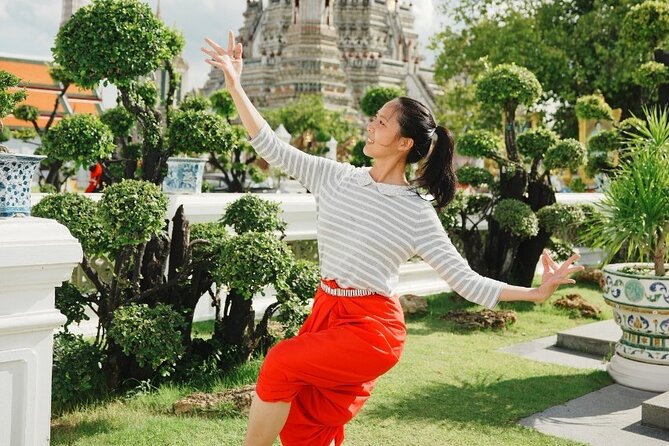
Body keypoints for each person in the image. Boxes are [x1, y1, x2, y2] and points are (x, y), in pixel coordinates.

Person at [202, 32, 584, 446]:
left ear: (404, 143)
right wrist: (236, 84)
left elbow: (465, 280)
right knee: (306, 424)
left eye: (381, 120)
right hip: (326, 311)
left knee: (279, 362)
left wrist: (535, 293)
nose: (371, 123)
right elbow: (271, 146)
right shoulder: (335, 177)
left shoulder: (416, 210)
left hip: (371, 328)